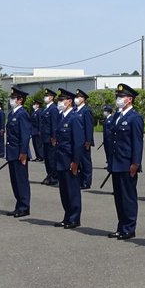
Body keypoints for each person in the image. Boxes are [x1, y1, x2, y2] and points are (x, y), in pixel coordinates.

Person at [106, 83, 144, 240]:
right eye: (117, 96)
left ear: (129, 99)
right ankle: (121, 226)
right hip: (116, 163)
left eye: (121, 97)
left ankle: (129, 228)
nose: (118, 99)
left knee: (128, 197)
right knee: (119, 197)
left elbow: (137, 142)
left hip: (128, 164)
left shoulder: (134, 118)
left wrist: (135, 163)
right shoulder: (117, 116)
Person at [52, 88, 84, 228]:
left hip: (70, 160)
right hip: (60, 159)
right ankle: (67, 216)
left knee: (72, 191)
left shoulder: (74, 117)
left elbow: (78, 142)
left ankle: (74, 218)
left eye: (61, 100)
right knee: (64, 191)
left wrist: (75, 161)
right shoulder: (61, 117)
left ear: (69, 101)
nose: (59, 102)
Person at [4, 87, 32, 217]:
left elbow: (25, 135)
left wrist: (23, 152)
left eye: (14, 98)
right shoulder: (12, 114)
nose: (12, 100)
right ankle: (19, 205)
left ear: (20, 100)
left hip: (19, 153)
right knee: (14, 181)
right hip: (12, 151)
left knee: (21, 180)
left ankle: (24, 207)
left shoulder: (22, 114)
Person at [75, 90, 95, 189]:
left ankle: (86, 181)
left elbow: (89, 127)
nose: (77, 99)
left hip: (84, 142)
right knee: (77, 161)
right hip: (76, 142)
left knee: (85, 162)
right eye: (76, 96)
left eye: (79, 97)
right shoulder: (75, 110)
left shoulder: (86, 111)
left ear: (83, 99)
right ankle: (79, 180)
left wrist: (88, 141)